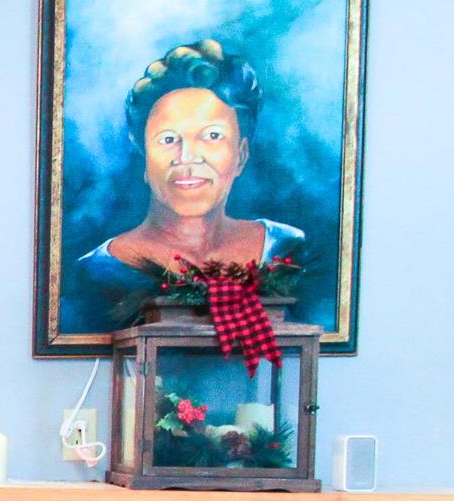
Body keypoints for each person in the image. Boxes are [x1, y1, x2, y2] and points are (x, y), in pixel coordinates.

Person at [66, 39, 303, 331]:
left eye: (212, 136)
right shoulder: (94, 275)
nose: (187, 157)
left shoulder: (288, 248)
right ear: (145, 159)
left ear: (241, 156)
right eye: (168, 139)